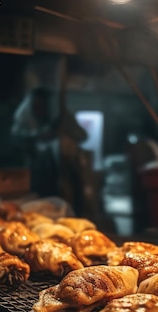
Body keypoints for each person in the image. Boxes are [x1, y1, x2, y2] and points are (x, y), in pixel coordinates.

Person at [11, 87, 94, 216]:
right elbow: (17, 137)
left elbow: (82, 135)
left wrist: (64, 131)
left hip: (64, 173)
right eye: (37, 106)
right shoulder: (25, 118)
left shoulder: (61, 117)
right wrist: (39, 136)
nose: (40, 110)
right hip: (36, 172)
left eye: (43, 106)